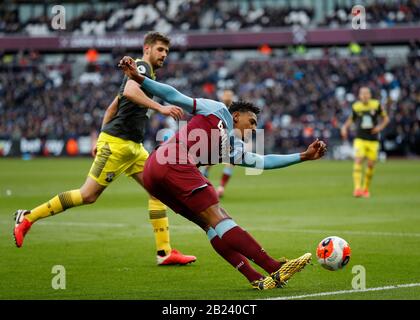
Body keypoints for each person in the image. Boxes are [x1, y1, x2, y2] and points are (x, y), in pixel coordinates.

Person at [118, 56, 327, 290]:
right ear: (237, 115)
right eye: (252, 121)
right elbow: (175, 96)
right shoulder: (218, 111)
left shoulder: (231, 149)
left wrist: (303, 156)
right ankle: (273, 267)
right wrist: (139, 77)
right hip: (171, 160)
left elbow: (264, 162)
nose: (253, 129)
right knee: (218, 214)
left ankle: (255, 278)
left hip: (154, 175)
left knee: (210, 225)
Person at [13, 32, 196, 266]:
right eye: (160, 50)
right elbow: (130, 92)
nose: (164, 55)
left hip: (133, 148)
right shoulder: (142, 67)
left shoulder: (145, 74)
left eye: (167, 52)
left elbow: (113, 106)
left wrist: (99, 138)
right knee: (88, 195)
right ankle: (27, 217)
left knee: (157, 191)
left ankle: (164, 252)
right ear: (147, 49)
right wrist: (160, 108)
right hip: (118, 144)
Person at [341, 87, 390, 198]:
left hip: (373, 140)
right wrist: (344, 127)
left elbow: (386, 119)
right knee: (358, 161)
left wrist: (379, 128)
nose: (364, 95)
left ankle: (365, 189)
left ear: (370, 95)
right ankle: (357, 189)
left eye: (366, 93)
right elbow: (351, 119)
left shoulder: (376, 105)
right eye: (362, 93)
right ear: (359, 95)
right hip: (360, 138)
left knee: (370, 165)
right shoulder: (356, 106)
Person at [200, 89, 235, 198]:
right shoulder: (217, 108)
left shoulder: (235, 111)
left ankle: (221, 188)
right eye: (226, 95)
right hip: (217, 137)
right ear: (222, 97)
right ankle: (202, 183)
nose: (228, 97)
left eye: (230, 95)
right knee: (209, 163)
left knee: (231, 161)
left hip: (230, 139)